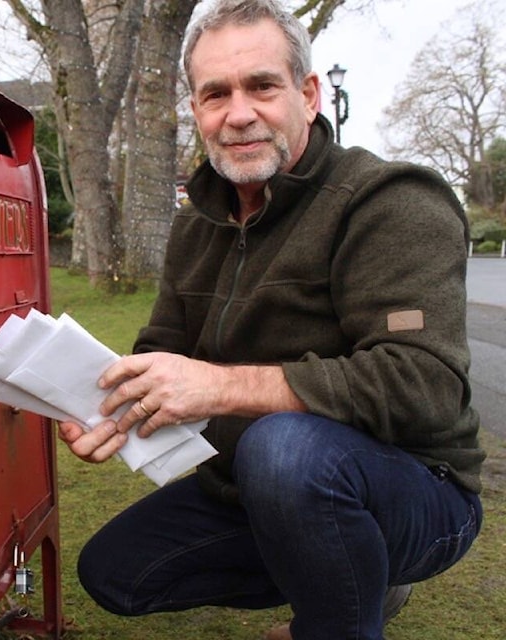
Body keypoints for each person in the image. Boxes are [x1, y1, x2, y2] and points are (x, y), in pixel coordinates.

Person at [57, 1, 485, 638]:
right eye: (215, 94)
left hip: (417, 489)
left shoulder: (390, 201)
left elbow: (424, 385)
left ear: (309, 95)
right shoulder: (196, 223)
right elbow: (162, 350)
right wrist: (108, 413)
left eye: (261, 86)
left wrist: (222, 387)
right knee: (116, 573)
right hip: (257, 492)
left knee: (284, 448)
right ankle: (353, 578)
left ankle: (339, 610)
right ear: (196, 109)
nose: (238, 113)